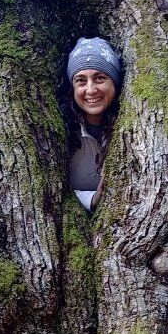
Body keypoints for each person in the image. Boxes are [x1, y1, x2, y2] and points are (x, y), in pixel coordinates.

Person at [66, 37, 122, 212]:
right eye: (81, 80)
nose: (90, 90)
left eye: (99, 78)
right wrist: (90, 199)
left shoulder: (129, 130)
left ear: (114, 82)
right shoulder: (62, 132)